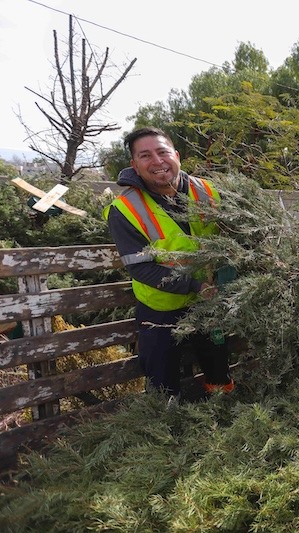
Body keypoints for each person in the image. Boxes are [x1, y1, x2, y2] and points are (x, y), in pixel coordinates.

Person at [104, 127, 234, 403]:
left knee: (218, 368)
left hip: (209, 302)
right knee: (162, 380)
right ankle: (166, 419)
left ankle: (222, 412)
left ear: (177, 155)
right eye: (145, 155)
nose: (157, 161)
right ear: (135, 165)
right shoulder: (125, 209)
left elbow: (232, 236)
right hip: (160, 308)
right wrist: (196, 285)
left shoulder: (208, 191)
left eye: (163, 152)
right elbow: (141, 268)